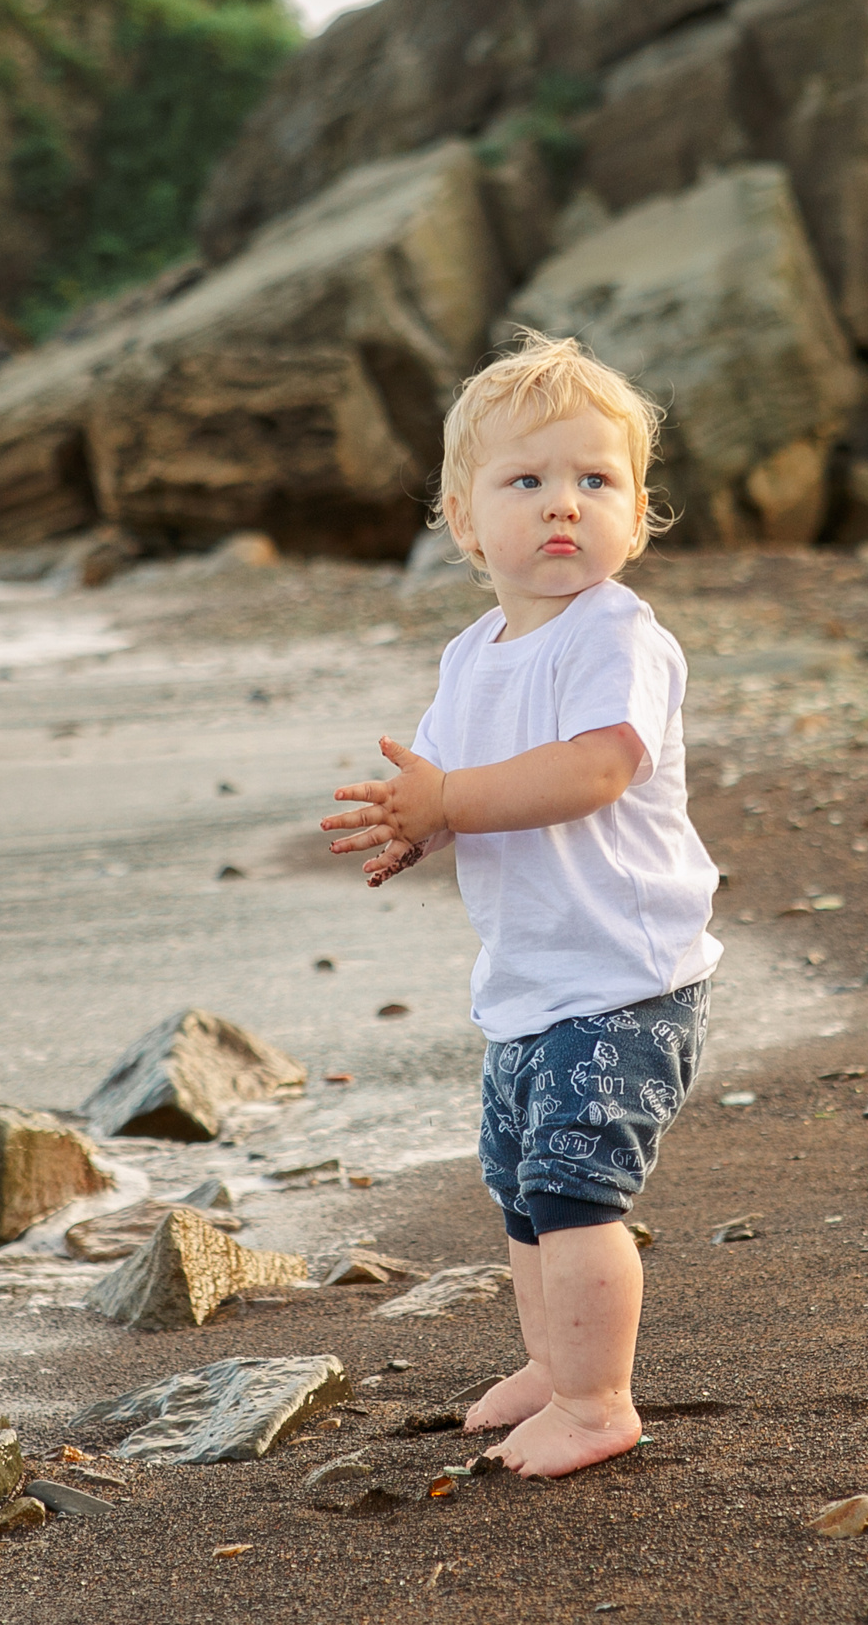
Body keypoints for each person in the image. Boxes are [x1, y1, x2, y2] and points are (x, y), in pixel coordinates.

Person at [318, 332, 721, 1478]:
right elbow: (450, 785)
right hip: (531, 982)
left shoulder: (617, 637)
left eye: (596, 482)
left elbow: (596, 769)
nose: (563, 507)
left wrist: (453, 796)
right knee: (519, 1193)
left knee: (576, 1188)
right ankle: (552, 1365)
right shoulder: (473, 653)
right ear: (461, 518)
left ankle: (598, 1402)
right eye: (526, 481)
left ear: (638, 513)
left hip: (628, 975)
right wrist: (416, 819)